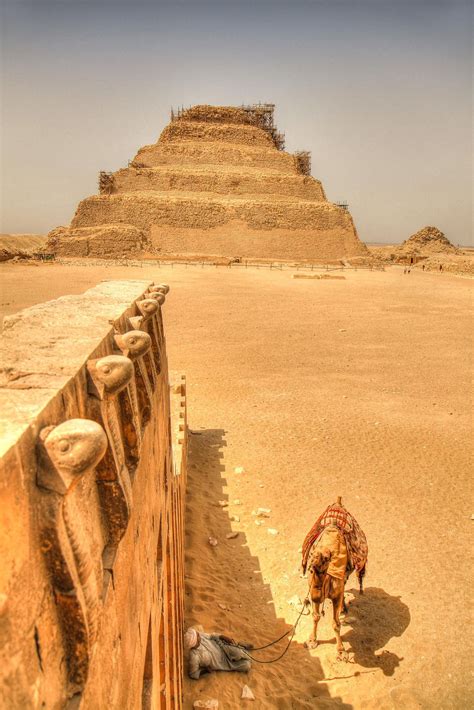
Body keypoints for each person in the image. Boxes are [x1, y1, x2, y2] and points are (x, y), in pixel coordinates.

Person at [184, 627, 252, 679]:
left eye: (197, 634)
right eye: (197, 636)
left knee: (238, 653)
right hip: (222, 663)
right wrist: (205, 671)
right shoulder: (194, 656)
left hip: (222, 647)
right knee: (247, 665)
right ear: (194, 642)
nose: (199, 635)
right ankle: (242, 648)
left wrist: (222, 637)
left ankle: (242, 648)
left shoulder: (200, 635)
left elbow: (211, 636)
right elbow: (193, 674)